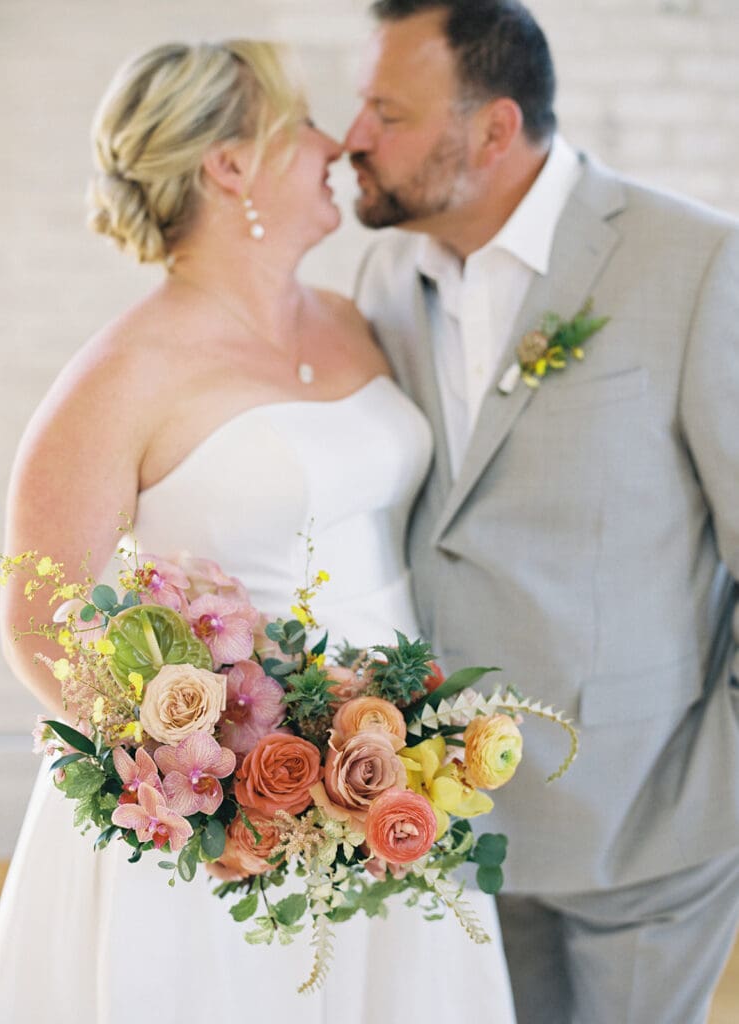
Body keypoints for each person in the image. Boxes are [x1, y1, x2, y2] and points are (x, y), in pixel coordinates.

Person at [0, 39, 517, 1024]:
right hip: (234, 821)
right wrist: (199, 800)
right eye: (302, 122)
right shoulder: (121, 373)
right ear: (229, 164)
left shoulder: (355, 321)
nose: (337, 142)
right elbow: (40, 624)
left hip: (393, 768)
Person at [349, 1, 739, 1021]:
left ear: (491, 128)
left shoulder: (696, 262)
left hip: (651, 812)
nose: (354, 138)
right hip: (453, 811)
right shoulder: (385, 275)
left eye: (387, 113)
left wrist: (723, 777)